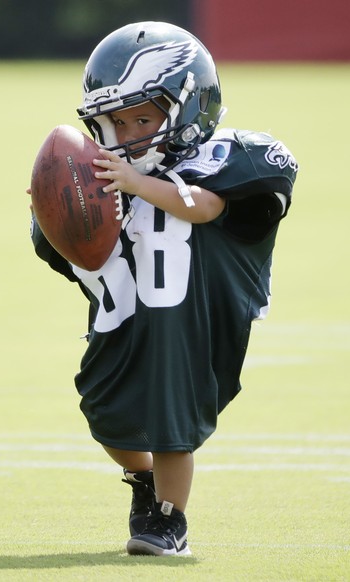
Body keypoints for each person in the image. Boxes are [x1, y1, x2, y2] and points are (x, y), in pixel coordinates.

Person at [29, 21, 297, 557]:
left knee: (173, 425)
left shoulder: (221, 160)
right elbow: (72, 251)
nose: (127, 136)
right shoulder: (105, 178)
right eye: (115, 122)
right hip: (125, 320)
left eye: (143, 118)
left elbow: (204, 205)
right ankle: (145, 483)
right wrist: (60, 203)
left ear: (190, 105)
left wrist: (139, 185)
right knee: (108, 422)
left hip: (186, 324)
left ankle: (170, 523)